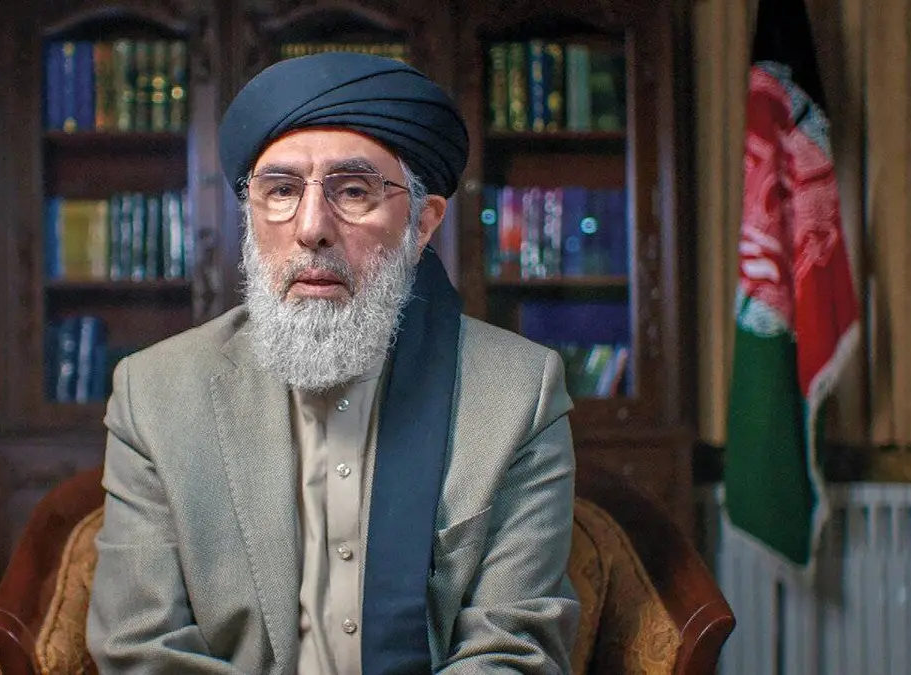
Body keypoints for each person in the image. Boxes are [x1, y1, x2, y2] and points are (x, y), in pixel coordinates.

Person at [86, 52, 580, 675]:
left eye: (353, 191)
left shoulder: (518, 393)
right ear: (250, 217)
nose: (312, 228)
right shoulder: (156, 393)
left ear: (422, 223)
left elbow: (514, 651)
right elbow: (140, 648)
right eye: (281, 191)